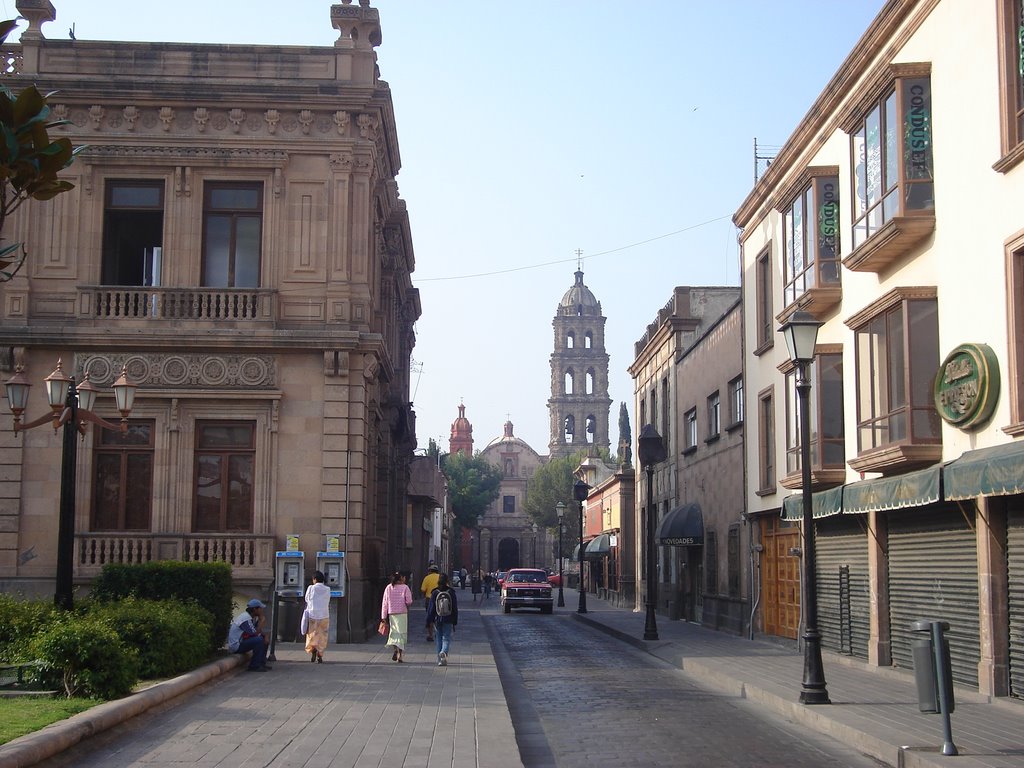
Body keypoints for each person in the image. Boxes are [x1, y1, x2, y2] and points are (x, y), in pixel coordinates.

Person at [227, 599, 271, 672]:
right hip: (236, 646)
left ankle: (261, 663)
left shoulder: (250, 617)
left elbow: (255, 632)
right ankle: (254, 665)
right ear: (254, 609)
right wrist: (261, 621)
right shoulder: (245, 618)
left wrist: (265, 636)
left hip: (242, 641)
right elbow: (255, 634)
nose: (261, 610)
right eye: (260, 608)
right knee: (259, 640)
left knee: (263, 638)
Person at [426, 573, 458, 666]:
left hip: (437, 618)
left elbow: (431, 609)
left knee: (438, 638)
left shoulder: (435, 592)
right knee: (446, 638)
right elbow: (454, 608)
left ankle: (440, 660)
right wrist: (455, 621)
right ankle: (444, 652)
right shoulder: (451, 592)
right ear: (447, 581)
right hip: (448, 618)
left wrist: (429, 621)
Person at [380, 570, 413, 662]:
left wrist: (383, 617)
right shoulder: (405, 588)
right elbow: (409, 601)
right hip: (402, 614)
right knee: (401, 634)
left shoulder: (388, 588)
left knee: (394, 633)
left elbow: (384, 603)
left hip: (392, 614)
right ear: (401, 578)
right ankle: (400, 655)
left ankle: (395, 650)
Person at [304, 570, 331, 664]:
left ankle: (312, 649)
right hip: (324, 615)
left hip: (313, 614)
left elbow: (307, 599)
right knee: (322, 636)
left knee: (312, 634)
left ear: (314, 579)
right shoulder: (327, 589)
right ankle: (320, 653)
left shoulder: (311, 588)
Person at [419, 563, 441, 642]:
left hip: (430, 600)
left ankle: (430, 635)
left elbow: (423, 589)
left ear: (430, 571)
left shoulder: (427, 578)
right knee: (440, 616)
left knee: (430, 617)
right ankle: (439, 633)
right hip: (440, 599)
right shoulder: (441, 578)